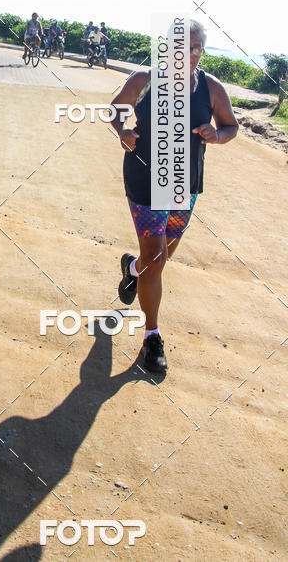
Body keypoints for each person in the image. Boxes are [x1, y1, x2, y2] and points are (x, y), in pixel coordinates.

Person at [110, 20, 238, 373]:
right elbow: (115, 109)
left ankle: (132, 269)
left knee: (159, 258)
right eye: (182, 47)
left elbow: (232, 126)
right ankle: (152, 335)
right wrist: (123, 131)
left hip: (184, 184)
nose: (189, 54)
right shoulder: (145, 80)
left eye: (196, 48)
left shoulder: (211, 89)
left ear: (202, 51)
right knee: (156, 256)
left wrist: (218, 135)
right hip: (144, 178)